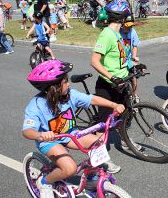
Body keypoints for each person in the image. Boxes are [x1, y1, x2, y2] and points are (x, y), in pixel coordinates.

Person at [22, 60, 125, 198]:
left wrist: (114, 105)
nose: (68, 84)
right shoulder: (36, 105)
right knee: (70, 169)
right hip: (50, 141)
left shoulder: (70, 94)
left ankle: (91, 177)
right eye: (65, 81)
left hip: (70, 134)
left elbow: (92, 99)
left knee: (98, 142)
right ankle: (44, 182)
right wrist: (41, 135)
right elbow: (27, 131)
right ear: (54, 87)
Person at [90, 0, 140, 151]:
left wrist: (134, 66)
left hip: (121, 83)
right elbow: (94, 61)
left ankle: (125, 141)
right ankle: (99, 156)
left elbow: (121, 58)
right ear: (122, 17)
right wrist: (112, 78)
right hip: (108, 85)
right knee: (103, 123)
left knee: (123, 115)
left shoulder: (116, 33)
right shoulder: (106, 34)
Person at [120, 18, 141, 103]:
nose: (129, 28)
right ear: (123, 24)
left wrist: (134, 57)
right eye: (127, 26)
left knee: (133, 77)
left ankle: (135, 95)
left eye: (131, 26)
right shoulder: (118, 32)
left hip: (128, 59)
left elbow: (135, 46)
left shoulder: (133, 32)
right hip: (120, 59)